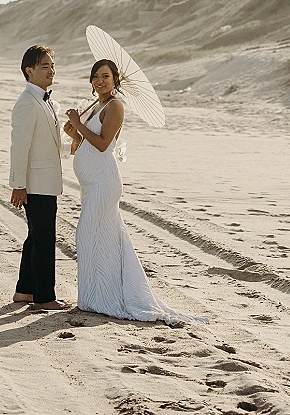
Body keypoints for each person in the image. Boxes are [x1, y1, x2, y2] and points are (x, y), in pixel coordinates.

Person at [64, 59, 208, 326]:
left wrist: (78, 123)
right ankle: (93, 299)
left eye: (105, 76)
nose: (99, 81)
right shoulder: (97, 105)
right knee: (99, 240)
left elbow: (104, 144)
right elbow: (83, 145)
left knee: (86, 234)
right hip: (91, 184)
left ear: (115, 80)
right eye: (95, 76)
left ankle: (101, 299)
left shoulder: (116, 106)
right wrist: (75, 134)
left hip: (104, 183)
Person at [9, 44, 68, 311]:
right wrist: (19, 185)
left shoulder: (47, 101)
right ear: (29, 71)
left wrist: (74, 141)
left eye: (52, 66)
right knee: (44, 239)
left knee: (35, 237)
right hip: (35, 184)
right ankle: (44, 296)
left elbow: (51, 143)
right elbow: (19, 147)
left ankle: (25, 291)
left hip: (45, 181)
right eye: (45, 66)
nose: (51, 71)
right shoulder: (26, 103)